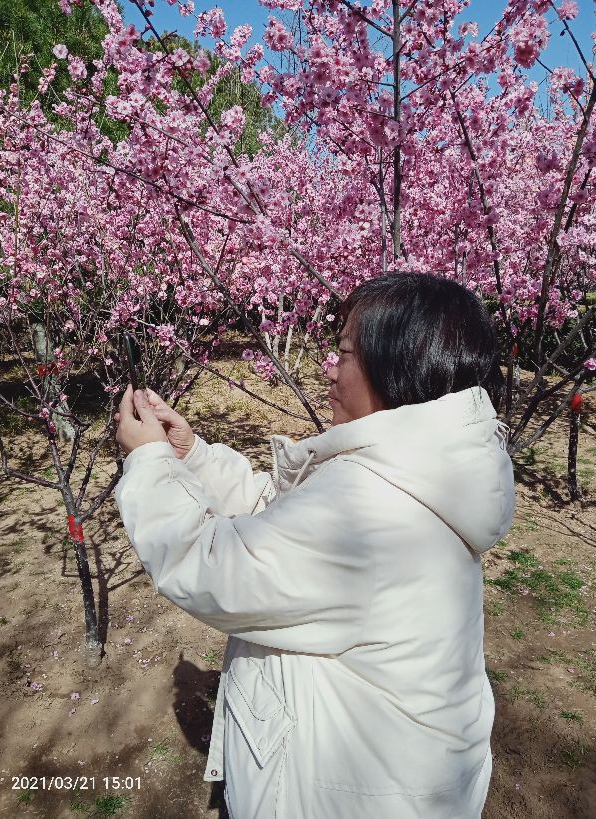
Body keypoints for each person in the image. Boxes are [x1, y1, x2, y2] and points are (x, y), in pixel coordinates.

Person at [114, 273, 515, 819]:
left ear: (395, 366)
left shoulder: (375, 506)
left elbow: (212, 568)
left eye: (344, 352)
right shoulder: (415, 472)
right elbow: (282, 523)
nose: (329, 366)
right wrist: (194, 458)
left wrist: (149, 463)